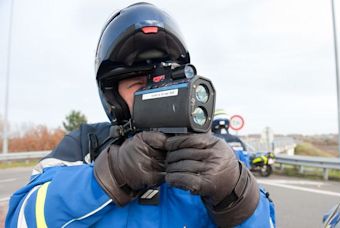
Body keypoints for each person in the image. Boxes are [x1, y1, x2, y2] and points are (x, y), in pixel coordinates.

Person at [6, 3, 275, 227]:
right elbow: (22, 218)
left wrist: (235, 193)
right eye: (137, 86)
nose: (155, 94)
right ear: (112, 96)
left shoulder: (215, 154)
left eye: (164, 82)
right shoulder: (85, 145)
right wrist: (109, 175)